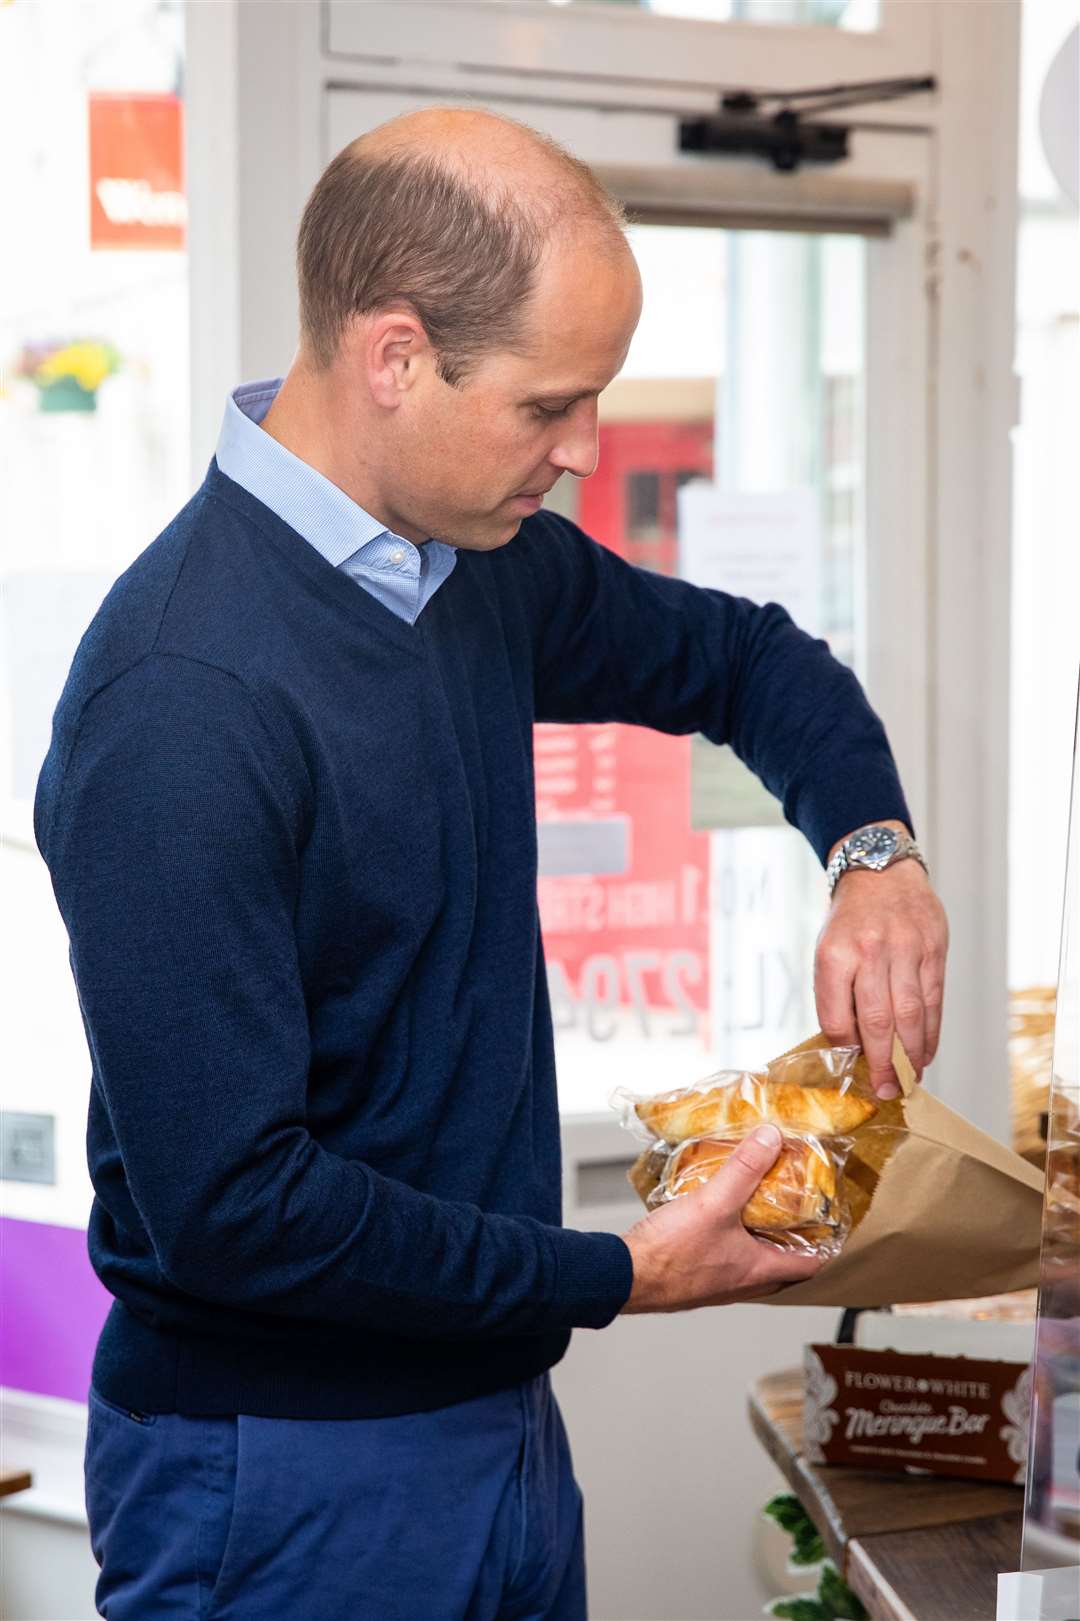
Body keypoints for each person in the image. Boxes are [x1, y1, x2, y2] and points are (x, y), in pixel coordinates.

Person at [36, 107, 948, 1621]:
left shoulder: (468, 563)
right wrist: (615, 1271)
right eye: (550, 404)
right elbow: (240, 1205)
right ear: (396, 357)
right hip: (276, 1476)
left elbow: (746, 659)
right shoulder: (181, 700)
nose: (582, 452)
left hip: (496, 1430)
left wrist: (875, 856)